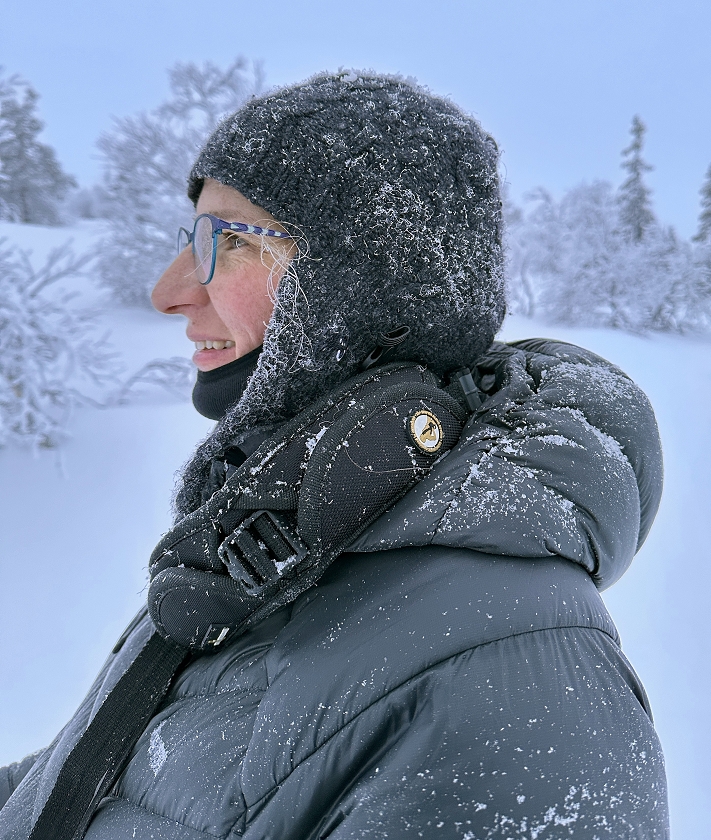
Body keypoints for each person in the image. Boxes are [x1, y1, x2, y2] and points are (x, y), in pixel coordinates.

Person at [0, 71, 669, 839]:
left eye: (233, 241)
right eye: (192, 238)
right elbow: (94, 787)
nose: (170, 290)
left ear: (362, 286)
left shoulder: (507, 671)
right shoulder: (262, 551)